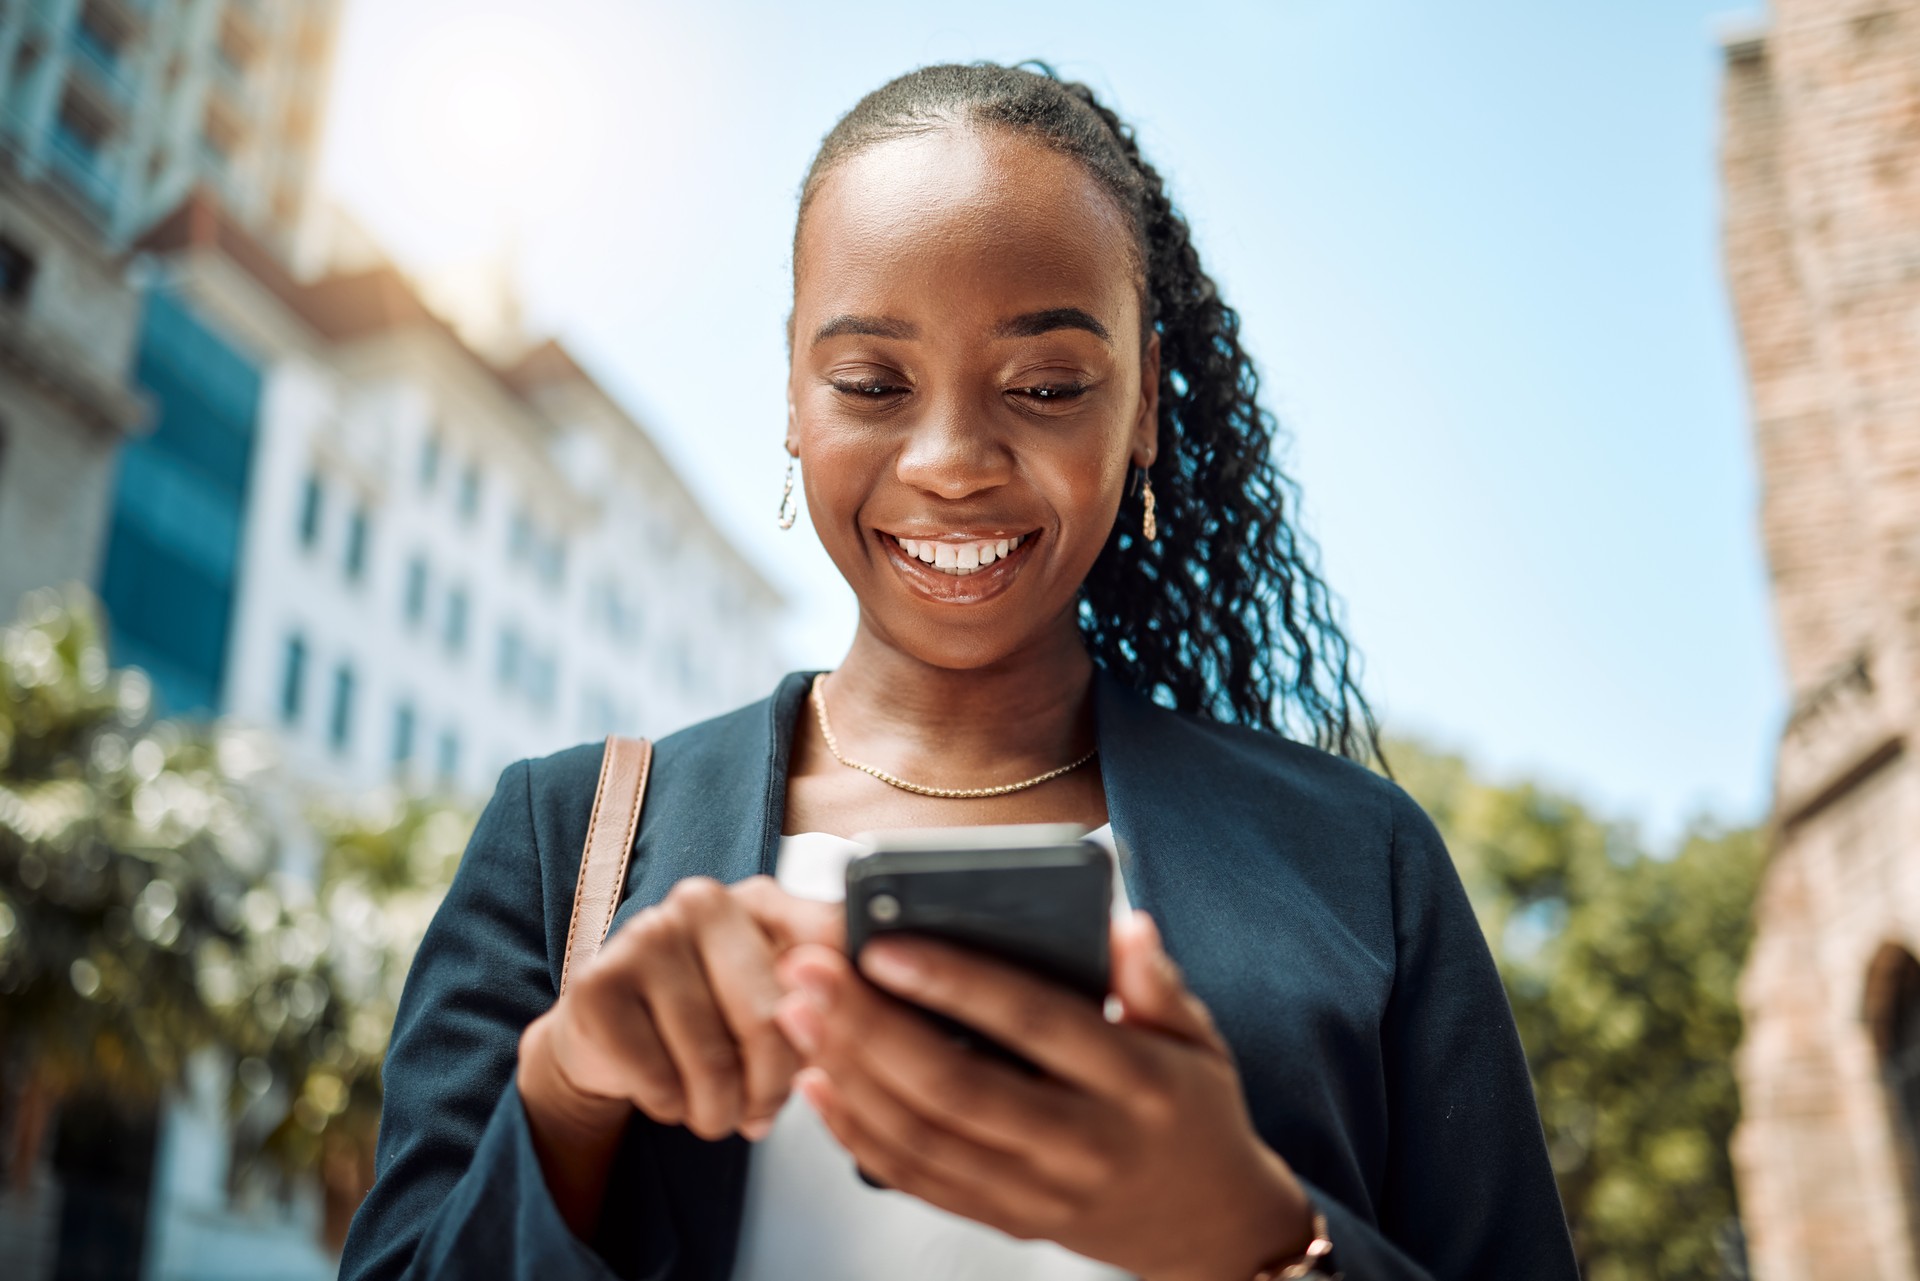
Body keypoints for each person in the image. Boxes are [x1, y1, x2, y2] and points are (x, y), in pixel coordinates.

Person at [339, 62, 1580, 1281]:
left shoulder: (1359, 860)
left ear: (1144, 404)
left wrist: (1258, 1243)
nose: (950, 462)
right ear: (792, 392)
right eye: (872, 383)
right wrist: (563, 1100)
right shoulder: (567, 842)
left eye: (1046, 385)